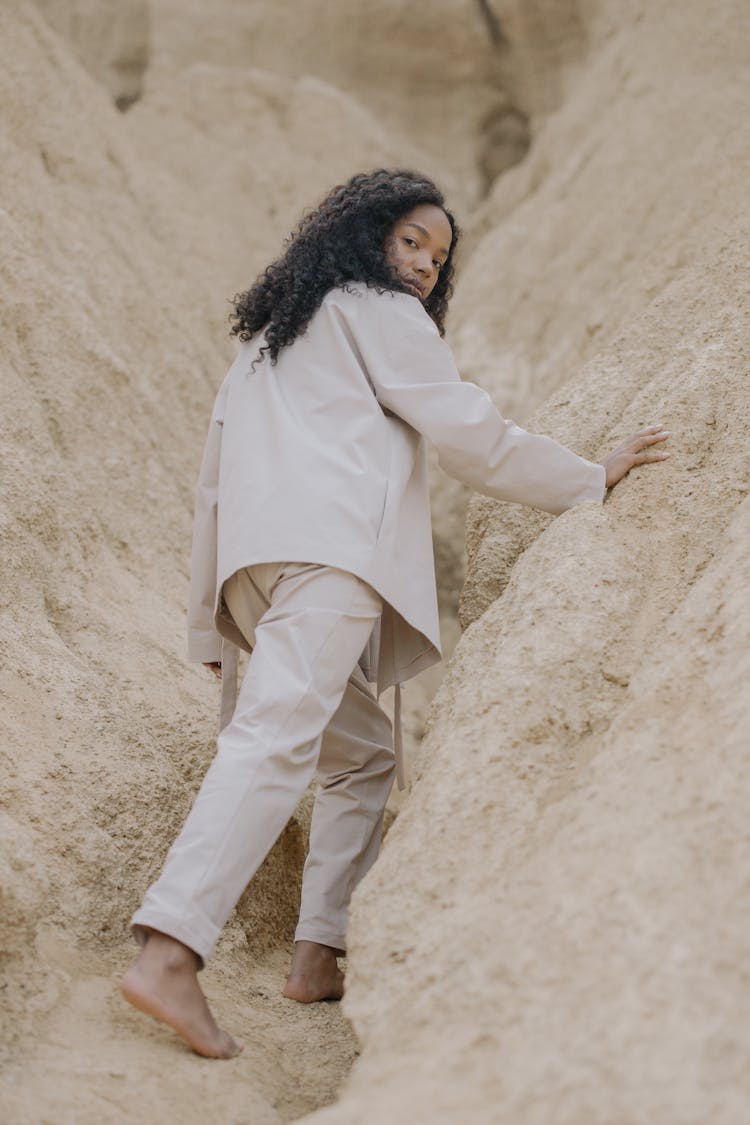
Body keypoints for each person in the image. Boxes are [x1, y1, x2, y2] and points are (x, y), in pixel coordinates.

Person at [121, 169, 669, 1058]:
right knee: (274, 739)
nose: (421, 265)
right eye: (410, 240)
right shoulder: (377, 310)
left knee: (363, 753)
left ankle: (318, 950)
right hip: (329, 556)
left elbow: (211, 487)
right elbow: (463, 429)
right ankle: (171, 950)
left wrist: (210, 622)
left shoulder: (270, 337)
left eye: (438, 255)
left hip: (259, 567)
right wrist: (586, 475)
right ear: (363, 233)